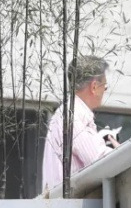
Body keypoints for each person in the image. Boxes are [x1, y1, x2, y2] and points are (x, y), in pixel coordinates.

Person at [42, 55, 120, 191]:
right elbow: (98, 159)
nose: (104, 92)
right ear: (94, 87)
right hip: (68, 206)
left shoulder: (68, 113)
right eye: (105, 87)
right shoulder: (73, 115)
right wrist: (123, 152)